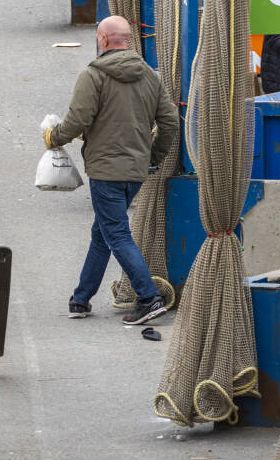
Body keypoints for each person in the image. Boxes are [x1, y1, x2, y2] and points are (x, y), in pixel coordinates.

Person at [44, 16, 179, 326]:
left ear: (103, 40)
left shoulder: (93, 76)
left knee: (116, 233)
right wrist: (152, 158)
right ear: (127, 40)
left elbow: (77, 121)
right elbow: (169, 122)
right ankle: (81, 299)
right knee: (102, 232)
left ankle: (148, 298)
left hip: (106, 170)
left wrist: (54, 137)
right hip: (135, 171)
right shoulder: (149, 75)